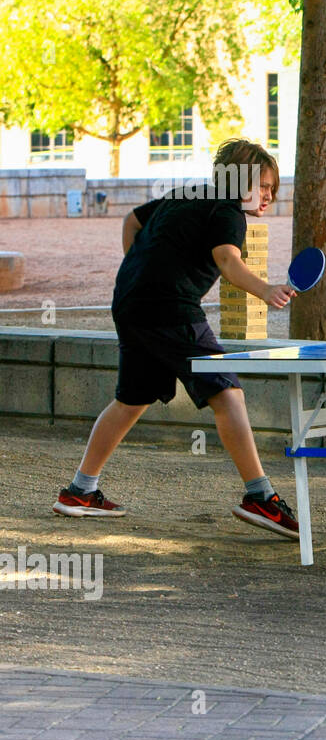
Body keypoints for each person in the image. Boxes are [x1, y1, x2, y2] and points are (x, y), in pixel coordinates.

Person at [52, 139, 301, 540]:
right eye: (265, 186)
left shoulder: (187, 194)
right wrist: (267, 289)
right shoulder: (227, 211)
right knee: (227, 393)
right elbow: (227, 260)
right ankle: (260, 497)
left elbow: (131, 222)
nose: (271, 195)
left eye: (273, 188)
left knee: (132, 399)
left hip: (130, 302)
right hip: (170, 308)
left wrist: (142, 267)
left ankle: (80, 491)